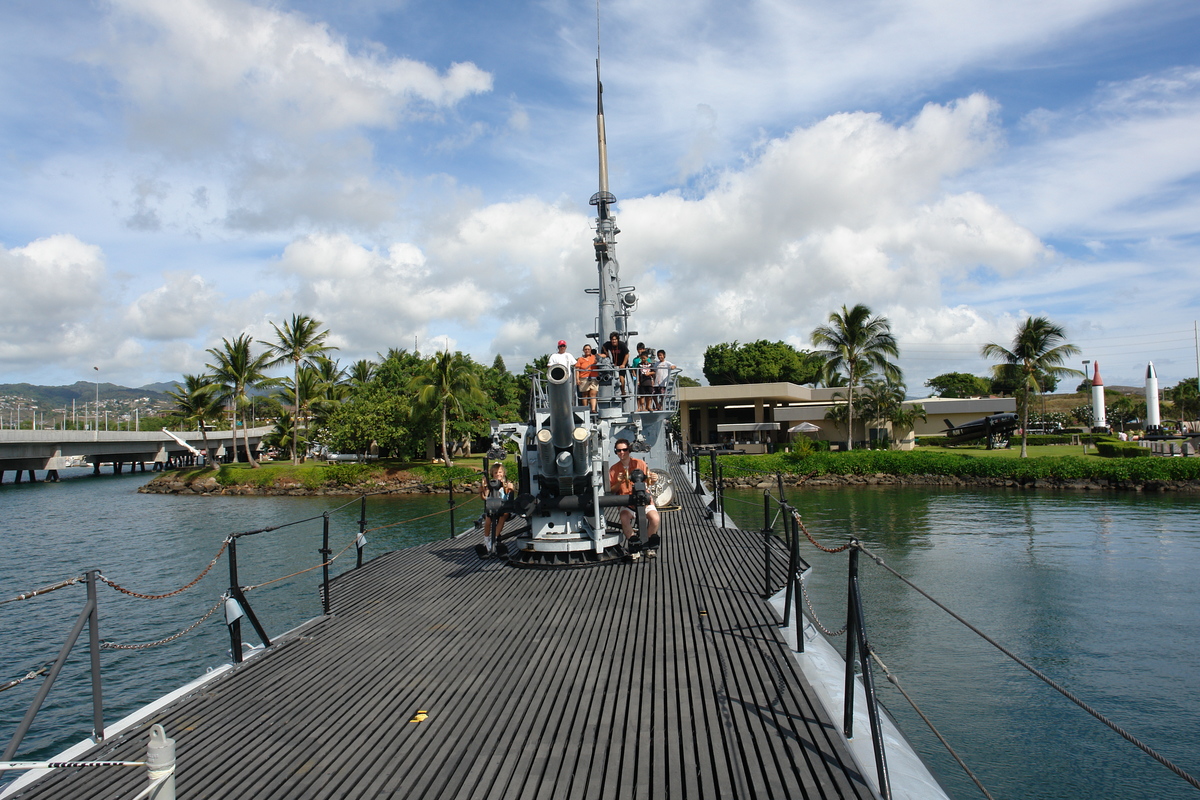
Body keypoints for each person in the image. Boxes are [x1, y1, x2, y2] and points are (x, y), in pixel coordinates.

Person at [607, 438, 660, 557]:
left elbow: (648, 480)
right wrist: (620, 482)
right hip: (626, 502)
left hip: (644, 499)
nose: (622, 453)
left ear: (629, 450)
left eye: (624, 450)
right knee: (624, 517)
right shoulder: (614, 469)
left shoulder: (640, 464)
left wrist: (653, 479)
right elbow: (612, 490)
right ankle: (634, 544)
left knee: (655, 519)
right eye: (618, 450)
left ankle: (648, 544)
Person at [479, 463, 515, 557]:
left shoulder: (506, 484)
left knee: (503, 516)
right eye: (495, 473)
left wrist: (509, 488)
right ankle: (486, 540)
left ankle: (494, 539)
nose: (498, 474)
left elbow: (508, 495)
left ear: (503, 473)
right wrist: (482, 490)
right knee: (488, 519)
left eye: (499, 472)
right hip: (492, 506)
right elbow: (485, 497)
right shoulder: (490, 484)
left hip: (504, 506)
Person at [575, 344, 599, 412]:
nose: (587, 350)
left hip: (594, 378)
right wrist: (577, 379)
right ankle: (585, 409)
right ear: (583, 351)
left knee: (593, 394)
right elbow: (577, 370)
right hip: (583, 378)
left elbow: (602, 358)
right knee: (584, 395)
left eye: (588, 349)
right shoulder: (580, 359)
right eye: (585, 349)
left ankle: (593, 409)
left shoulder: (595, 357)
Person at [632, 343, 655, 411]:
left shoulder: (649, 361)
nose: (640, 351)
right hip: (638, 378)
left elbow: (652, 371)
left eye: (641, 349)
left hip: (647, 380)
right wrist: (635, 378)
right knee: (639, 394)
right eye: (638, 349)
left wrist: (651, 378)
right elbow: (633, 369)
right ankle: (640, 407)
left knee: (648, 394)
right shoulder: (635, 360)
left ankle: (648, 406)